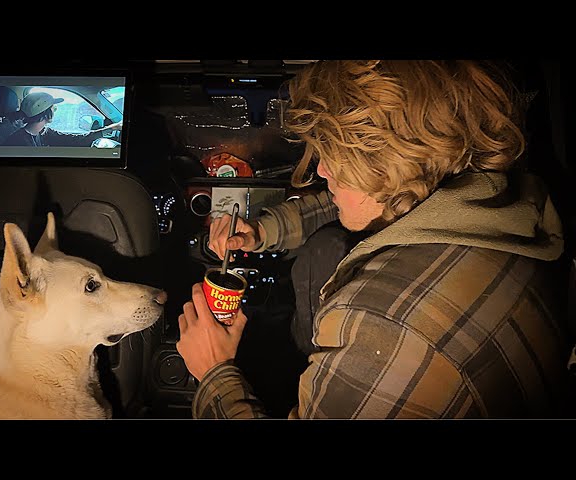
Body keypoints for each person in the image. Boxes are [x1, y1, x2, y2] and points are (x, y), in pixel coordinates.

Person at [176, 60, 574, 419]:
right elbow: (336, 206)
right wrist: (263, 231)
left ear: (392, 162)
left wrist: (214, 371)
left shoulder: (380, 325)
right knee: (323, 246)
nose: (322, 171)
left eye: (335, 157)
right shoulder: (501, 203)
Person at [2, 91, 121, 147]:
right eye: (54, 108)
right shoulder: (18, 142)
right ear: (45, 113)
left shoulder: (44, 132)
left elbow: (75, 139)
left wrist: (112, 128)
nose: (55, 110)